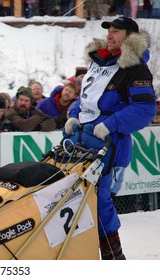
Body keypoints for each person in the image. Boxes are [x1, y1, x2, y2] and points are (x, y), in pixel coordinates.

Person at [64, 17, 156, 260]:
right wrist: (74, 115)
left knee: (99, 201)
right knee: (73, 197)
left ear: (129, 36)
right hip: (81, 140)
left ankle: (113, 258)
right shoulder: (99, 62)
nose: (110, 35)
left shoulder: (135, 68)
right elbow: (86, 99)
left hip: (109, 145)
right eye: (109, 31)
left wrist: (111, 124)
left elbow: (145, 110)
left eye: (116, 31)